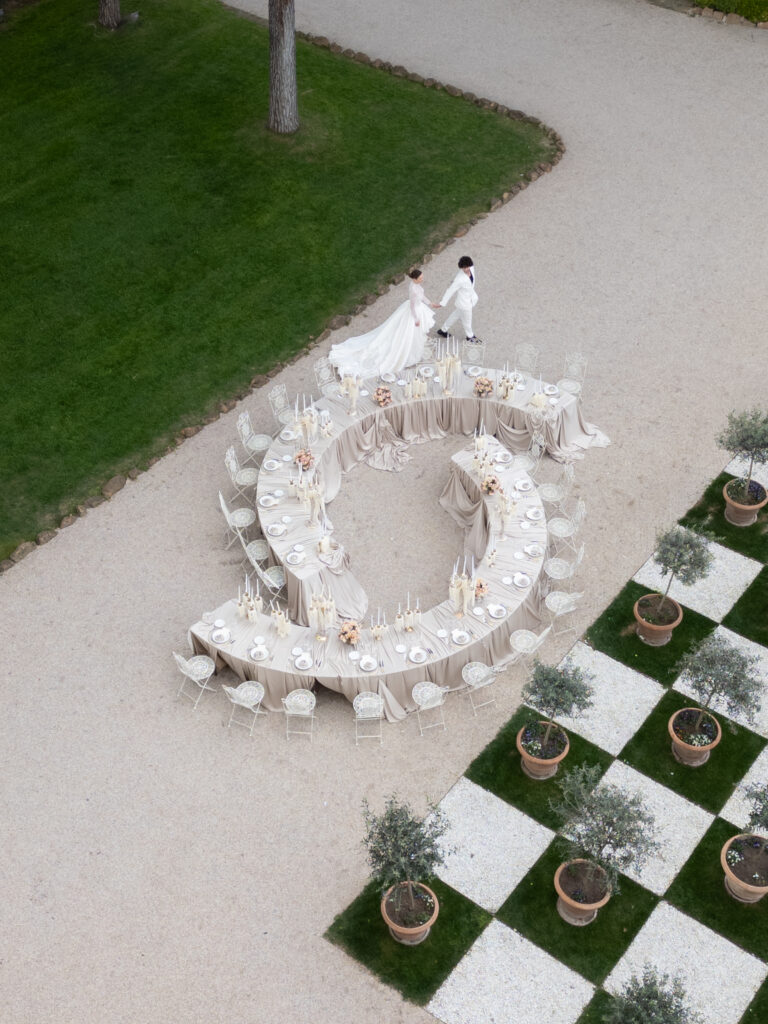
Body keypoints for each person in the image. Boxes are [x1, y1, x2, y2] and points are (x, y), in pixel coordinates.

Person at [328, 269, 439, 378]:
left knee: (413, 334)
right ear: (415, 279)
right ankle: (407, 353)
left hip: (418, 309)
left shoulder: (416, 286)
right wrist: (416, 319)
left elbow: (422, 297)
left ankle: (412, 351)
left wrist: (431, 303)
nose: (422, 279)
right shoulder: (413, 289)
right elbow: (412, 306)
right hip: (414, 312)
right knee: (407, 334)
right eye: (420, 278)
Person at [437, 255, 478, 341]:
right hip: (464, 304)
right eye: (463, 268)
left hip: (467, 300)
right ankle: (470, 336)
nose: (465, 269)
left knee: (455, 315)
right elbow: (450, 290)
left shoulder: (472, 269)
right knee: (467, 321)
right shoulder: (459, 279)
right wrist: (443, 302)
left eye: (467, 267)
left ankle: (443, 330)